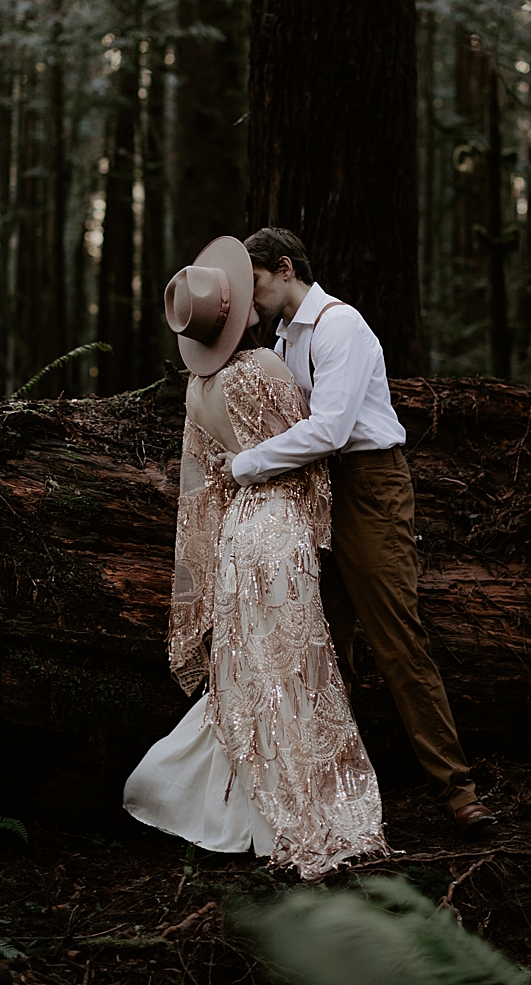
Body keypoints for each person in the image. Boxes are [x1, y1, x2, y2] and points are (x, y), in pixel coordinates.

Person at [124, 235, 388, 880]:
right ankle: (300, 812)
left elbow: (205, 486)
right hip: (279, 528)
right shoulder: (264, 371)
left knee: (254, 672)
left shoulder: (196, 391)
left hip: (239, 535)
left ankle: (235, 804)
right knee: (294, 670)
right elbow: (316, 447)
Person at [221, 226, 498, 836]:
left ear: (286, 269)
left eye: (257, 282)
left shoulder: (340, 326)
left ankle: (458, 792)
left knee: (397, 636)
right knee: (323, 641)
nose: (251, 297)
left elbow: (330, 429)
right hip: (321, 491)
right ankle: (329, 798)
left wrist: (245, 465)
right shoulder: (286, 340)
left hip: (369, 488)